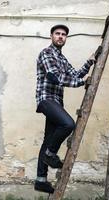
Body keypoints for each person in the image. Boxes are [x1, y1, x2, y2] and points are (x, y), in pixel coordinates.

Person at [34, 24, 96, 193]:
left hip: (56, 102)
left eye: (63, 35)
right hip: (46, 99)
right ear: (51, 36)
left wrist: (89, 62)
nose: (61, 36)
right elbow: (54, 77)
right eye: (57, 34)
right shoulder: (46, 53)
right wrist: (83, 82)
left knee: (48, 140)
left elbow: (75, 75)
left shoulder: (62, 59)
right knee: (68, 124)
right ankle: (50, 155)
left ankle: (41, 180)